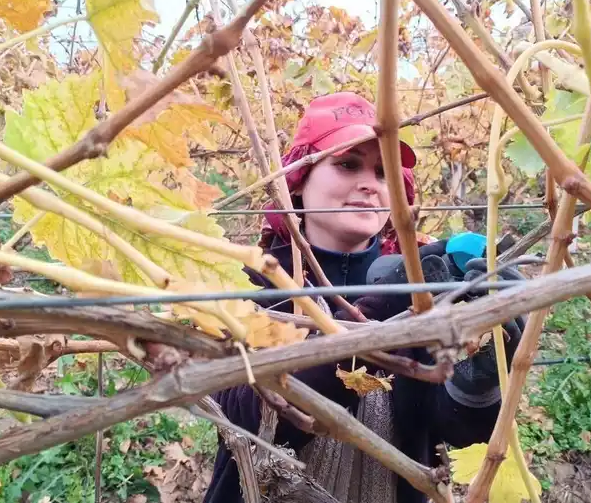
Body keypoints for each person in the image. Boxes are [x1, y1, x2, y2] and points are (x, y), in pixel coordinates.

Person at [203, 92, 526, 503]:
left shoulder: (420, 281)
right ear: (298, 180)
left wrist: (483, 378)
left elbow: (452, 430)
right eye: (347, 164)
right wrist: (379, 321)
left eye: (383, 171)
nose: (369, 184)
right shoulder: (248, 280)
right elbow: (245, 421)